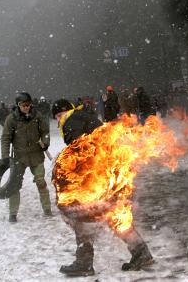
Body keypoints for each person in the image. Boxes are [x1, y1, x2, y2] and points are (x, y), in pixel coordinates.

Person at [51, 99, 154, 277]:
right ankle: (141, 252)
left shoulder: (71, 122)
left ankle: (84, 263)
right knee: (114, 214)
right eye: (57, 118)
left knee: (79, 217)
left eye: (59, 116)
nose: (59, 120)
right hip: (111, 173)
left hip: (97, 178)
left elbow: (82, 155)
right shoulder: (84, 116)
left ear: (66, 112)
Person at [1, 92, 52, 223]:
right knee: (14, 185)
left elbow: (45, 131)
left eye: (28, 105)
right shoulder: (11, 119)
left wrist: (45, 143)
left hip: (36, 155)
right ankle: (13, 213)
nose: (26, 107)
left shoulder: (37, 116)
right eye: (24, 105)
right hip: (19, 157)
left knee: (41, 181)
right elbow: (6, 138)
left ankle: (47, 209)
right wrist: (5, 156)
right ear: (18, 105)